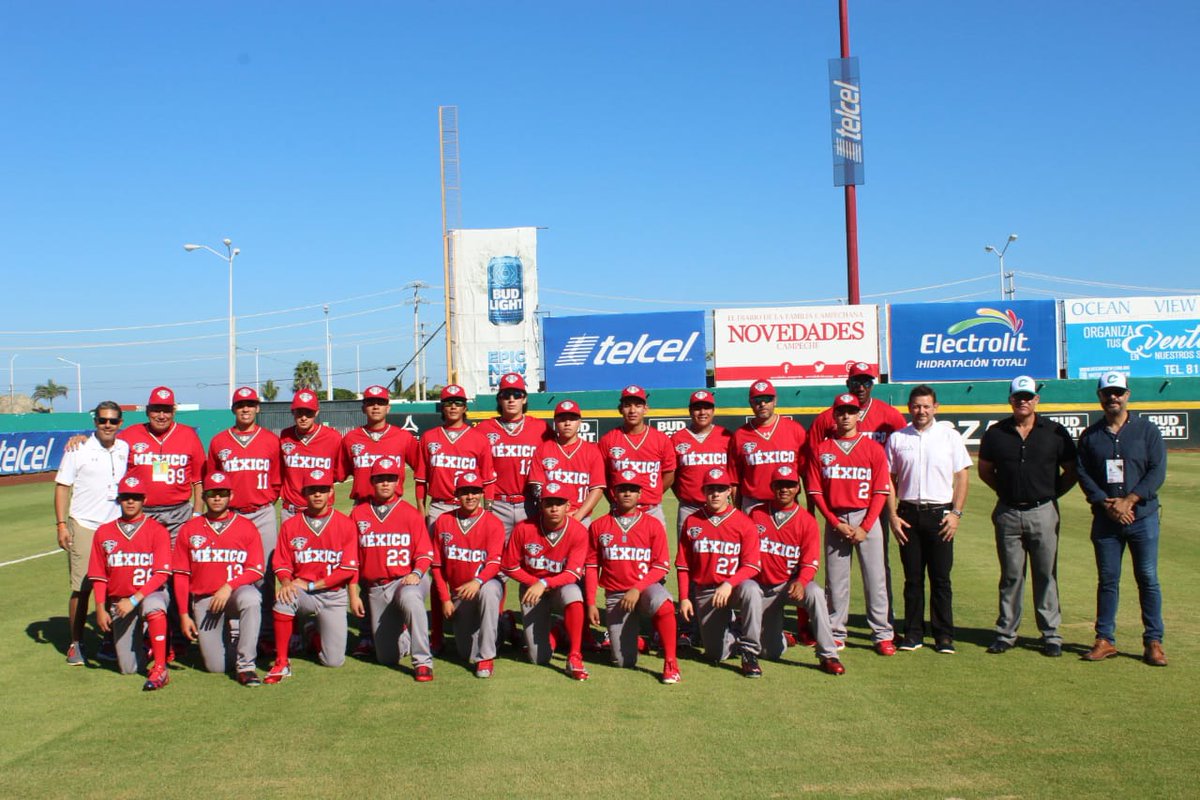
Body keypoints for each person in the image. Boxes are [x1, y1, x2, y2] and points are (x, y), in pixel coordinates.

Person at [977, 375, 1078, 657]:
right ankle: (1006, 633)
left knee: (1046, 574)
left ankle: (1051, 634)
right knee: (1011, 576)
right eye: (1018, 397)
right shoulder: (996, 433)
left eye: (1028, 397)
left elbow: (1071, 471)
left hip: (1043, 511)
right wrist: (1008, 492)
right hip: (1008, 511)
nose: (1023, 401)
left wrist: (1049, 495)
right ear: (1010, 399)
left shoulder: (1054, 432)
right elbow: (985, 471)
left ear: (1036, 400)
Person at [1076, 372, 1168, 666]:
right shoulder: (1091, 436)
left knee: (1148, 579)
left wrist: (1129, 500)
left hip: (1142, 516)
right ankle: (1105, 639)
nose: (1112, 397)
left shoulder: (1147, 430)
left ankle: (1153, 641)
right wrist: (1106, 502)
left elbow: (1157, 471)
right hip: (1106, 520)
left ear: (1127, 394)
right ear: (1099, 396)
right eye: (1107, 393)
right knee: (1108, 580)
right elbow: (1084, 474)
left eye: (1118, 392)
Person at [807, 393, 895, 655]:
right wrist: (834, 522)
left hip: (866, 518)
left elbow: (881, 491)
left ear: (859, 415)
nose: (846, 416)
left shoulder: (872, 449)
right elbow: (815, 492)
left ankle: (882, 633)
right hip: (836, 518)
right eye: (841, 411)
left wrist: (866, 526)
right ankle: (836, 631)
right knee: (835, 581)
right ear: (833, 415)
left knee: (876, 578)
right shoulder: (822, 450)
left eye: (851, 411)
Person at [885, 385, 971, 654]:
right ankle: (913, 633)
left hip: (940, 514)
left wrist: (956, 514)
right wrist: (893, 516)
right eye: (916, 406)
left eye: (926, 406)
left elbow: (963, 476)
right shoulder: (898, 438)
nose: (921, 411)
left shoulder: (949, 436)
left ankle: (944, 636)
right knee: (912, 579)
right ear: (909, 407)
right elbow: (889, 478)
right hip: (908, 514)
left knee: (941, 578)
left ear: (936, 407)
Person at [263, 468, 360, 683]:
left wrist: (311, 585)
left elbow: (347, 569)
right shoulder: (291, 525)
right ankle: (281, 662)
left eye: (322, 490)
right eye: (312, 490)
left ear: (331, 492)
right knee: (283, 599)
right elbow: (281, 562)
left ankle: (311, 634)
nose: (317, 494)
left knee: (333, 661)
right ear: (304, 494)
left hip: (332, 596)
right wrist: (286, 582)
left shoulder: (345, 524)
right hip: (303, 593)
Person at [585, 470, 681, 684]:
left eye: (632, 489)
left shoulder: (652, 525)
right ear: (614, 492)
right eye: (622, 489)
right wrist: (591, 603)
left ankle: (671, 663)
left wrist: (637, 588)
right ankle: (637, 642)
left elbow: (660, 567)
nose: (627, 493)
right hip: (616, 595)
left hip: (645, 588)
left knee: (664, 604)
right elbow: (592, 566)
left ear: (640, 494)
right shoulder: (599, 526)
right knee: (622, 661)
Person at [747, 465, 844, 675]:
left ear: (797, 488)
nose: (784, 489)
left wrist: (801, 581)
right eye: (780, 484)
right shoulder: (756, 514)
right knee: (769, 652)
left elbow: (810, 561)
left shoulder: (806, 521)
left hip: (790, 586)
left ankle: (828, 655)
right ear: (772, 486)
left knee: (816, 593)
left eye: (790, 485)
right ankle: (783, 637)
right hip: (762, 588)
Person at [172, 471, 266, 686]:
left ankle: (247, 666)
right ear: (203, 497)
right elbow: (181, 575)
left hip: (235, 593)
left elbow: (256, 570)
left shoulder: (245, 526)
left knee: (251, 598)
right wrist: (184, 615)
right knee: (216, 667)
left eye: (222, 493)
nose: (217, 498)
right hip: (205, 600)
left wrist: (228, 586)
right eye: (212, 494)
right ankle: (238, 636)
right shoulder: (189, 529)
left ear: (231, 496)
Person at [54, 400, 128, 665]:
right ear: (95, 421)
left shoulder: (125, 447)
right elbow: (63, 486)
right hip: (84, 524)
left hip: (116, 527)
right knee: (82, 587)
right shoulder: (78, 448)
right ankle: (76, 643)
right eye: (102, 420)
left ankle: (109, 641)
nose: (107, 425)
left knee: (114, 588)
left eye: (112, 421)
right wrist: (61, 524)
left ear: (121, 423)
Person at [349, 458, 436, 680]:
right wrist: (353, 593)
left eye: (390, 478)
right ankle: (403, 635)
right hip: (376, 588)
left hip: (406, 580)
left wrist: (417, 573)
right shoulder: (359, 514)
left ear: (397, 481)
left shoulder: (409, 513)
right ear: (372, 481)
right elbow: (351, 558)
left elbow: (425, 553)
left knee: (410, 599)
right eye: (380, 479)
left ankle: (423, 662)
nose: (385, 483)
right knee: (386, 657)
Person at [87, 473, 173, 690]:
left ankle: (161, 668)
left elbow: (161, 574)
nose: (131, 501)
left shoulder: (157, 531)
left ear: (144, 500)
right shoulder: (104, 532)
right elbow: (99, 575)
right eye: (126, 497)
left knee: (154, 607)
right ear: (119, 500)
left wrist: (134, 600)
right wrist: (99, 607)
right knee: (128, 667)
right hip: (119, 602)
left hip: (148, 595)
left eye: (135, 497)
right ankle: (150, 645)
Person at [676, 467, 764, 677]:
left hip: (735, 587)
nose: (715, 493)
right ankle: (737, 632)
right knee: (716, 654)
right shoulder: (693, 521)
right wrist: (683, 598)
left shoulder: (743, 522)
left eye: (720, 488)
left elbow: (752, 565)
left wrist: (729, 583)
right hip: (706, 591)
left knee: (752, 590)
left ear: (728, 492)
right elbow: (683, 565)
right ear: (704, 491)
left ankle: (750, 652)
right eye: (711, 489)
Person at [206, 386, 281, 631]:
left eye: (250, 405)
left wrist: (267, 498)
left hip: (262, 511)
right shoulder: (219, 441)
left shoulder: (270, 439)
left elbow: (277, 479)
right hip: (231, 515)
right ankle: (234, 625)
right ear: (233, 409)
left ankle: (267, 628)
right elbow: (212, 480)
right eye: (240, 405)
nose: (245, 409)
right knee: (231, 569)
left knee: (266, 571)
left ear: (257, 408)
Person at [502, 481, 590, 680]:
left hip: (559, 586)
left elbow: (573, 573)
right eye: (549, 503)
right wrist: (534, 582)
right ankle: (509, 624)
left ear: (568, 506)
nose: (554, 508)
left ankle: (575, 655)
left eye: (559, 503)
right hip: (532, 589)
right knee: (538, 658)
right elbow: (509, 566)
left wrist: (544, 584)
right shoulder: (524, 528)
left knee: (574, 594)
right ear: (541, 505)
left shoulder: (578, 531)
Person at [432, 472, 507, 678]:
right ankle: (504, 624)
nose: (471, 496)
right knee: (466, 653)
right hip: (459, 595)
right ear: (457, 494)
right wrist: (445, 599)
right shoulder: (444, 521)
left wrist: (478, 580)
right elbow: (437, 566)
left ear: (482, 493)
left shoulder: (493, 523)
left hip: (484, 586)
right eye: (465, 491)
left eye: (475, 491)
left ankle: (486, 658)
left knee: (491, 589)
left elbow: (494, 563)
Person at [121, 386, 206, 544]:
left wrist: (197, 514)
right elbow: (105, 449)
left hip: (179, 514)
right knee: (142, 563)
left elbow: (199, 480)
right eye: (156, 410)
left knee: (178, 564)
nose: (161, 416)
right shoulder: (129, 435)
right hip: (141, 513)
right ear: (147, 411)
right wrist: (82, 440)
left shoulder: (189, 436)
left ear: (173, 411)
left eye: (166, 410)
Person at [475, 372, 552, 538]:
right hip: (497, 504)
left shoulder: (541, 428)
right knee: (496, 555)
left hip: (530, 503)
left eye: (517, 394)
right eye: (506, 395)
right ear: (499, 399)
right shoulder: (483, 429)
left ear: (524, 399)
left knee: (532, 554)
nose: (511, 399)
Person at [415, 384, 495, 525]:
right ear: (442, 407)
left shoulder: (479, 439)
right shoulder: (429, 437)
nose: (453, 407)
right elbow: (421, 480)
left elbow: (488, 481)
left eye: (458, 403)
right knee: (436, 547)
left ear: (464, 408)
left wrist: (488, 511)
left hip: (470, 506)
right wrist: (421, 509)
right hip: (439, 506)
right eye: (448, 403)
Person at [598, 384, 676, 526]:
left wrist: (653, 493)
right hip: (618, 510)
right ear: (620, 409)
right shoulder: (608, 440)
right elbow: (603, 477)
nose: (633, 410)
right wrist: (616, 499)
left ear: (646, 409)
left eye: (638, 405)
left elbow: (669, 475)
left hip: (652, 510)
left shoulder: (661, 439)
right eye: (627, 405)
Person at [730, 379, 808, 511]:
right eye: (757, 400)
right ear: (750, 403)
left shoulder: (795, 430)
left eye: (767, 399)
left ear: (775, 400)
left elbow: (806, 475)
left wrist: (809, 509)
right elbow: (734, 480)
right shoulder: (740, 435)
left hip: (787, 503)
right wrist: (738, 512)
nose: (762, 404)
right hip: (753, 504)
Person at [528, 400, 606, 524]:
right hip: (550, 518)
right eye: (562, 419)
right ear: (555, 422)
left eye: (572, 419)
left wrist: (578, 515)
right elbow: (537, 488)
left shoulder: (592, 451)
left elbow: (597, 489)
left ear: (580, 422)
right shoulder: (543, 449)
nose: (567, 423)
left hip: (581, 517)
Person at [669, 389, 734, 537]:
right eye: (697, 408)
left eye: (707, 408)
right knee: (687, 556)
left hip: (721, 507)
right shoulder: (677, 439)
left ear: (713, 410)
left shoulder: (727, 437)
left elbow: (734, 472)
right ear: (690, 411)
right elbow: (672, 475)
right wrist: (685, 495)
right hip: (690, 507)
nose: (702, 412)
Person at [343, 384, 419, 504]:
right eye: (371, 403)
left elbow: (421, 471)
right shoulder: (351, 438)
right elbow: (339, 474)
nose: (376, 407)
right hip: (362, 504)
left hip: (393, 505)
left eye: (380, 403)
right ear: (363, 408)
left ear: (388, 408)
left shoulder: (403, 437)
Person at [278, 390, 346, 524]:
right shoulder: (285, 436)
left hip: (322, 513)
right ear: (293, 412)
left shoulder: (333, 437)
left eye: (308, 412)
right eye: (299, 412)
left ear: (316, 412)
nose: (303, 417)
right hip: (291, 512)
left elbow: (339, 474)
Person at [806, 362, 907, 449]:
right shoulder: (829, 417)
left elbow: (905, 448)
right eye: (856, 383)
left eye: (866, 383)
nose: (861, 388)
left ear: (872, 386)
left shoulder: (891, 415)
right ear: (848, 383)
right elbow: (811, 452)